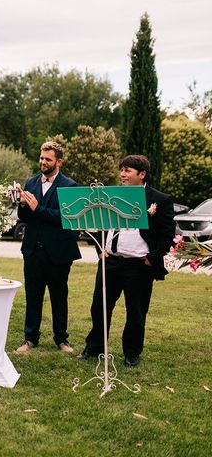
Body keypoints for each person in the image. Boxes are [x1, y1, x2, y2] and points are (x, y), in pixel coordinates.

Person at [77, 155, 175, 367]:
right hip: (110, 261)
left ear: (142, 174)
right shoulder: (111, 195)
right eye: (121, 170)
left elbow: (167, 235)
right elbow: (99, 223)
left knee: (136, 311)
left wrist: (152, 259)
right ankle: (94, 347)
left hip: (139, 265)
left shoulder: (160, 200)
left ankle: (131, 352)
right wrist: (100, 250)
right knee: (99, 307)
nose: (122, 174)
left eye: (127, 171)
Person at [16, 141, 82, 354]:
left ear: (58, 161)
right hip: (33, 250)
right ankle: (30, 338)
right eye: (41, 158)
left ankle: (61, 339)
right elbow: (24, 217)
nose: (43, 162)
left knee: (58, 296)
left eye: (48, 159)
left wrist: (38, 208)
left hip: (59, 252)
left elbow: (67, 218)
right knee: (32, 295)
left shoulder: (70, 186)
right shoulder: (31, 182)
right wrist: (23, 205)